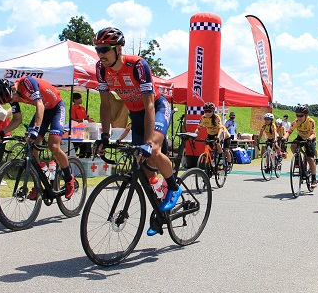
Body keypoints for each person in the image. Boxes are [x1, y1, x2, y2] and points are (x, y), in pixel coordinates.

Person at [92, 27, 180, 236]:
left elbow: (149, 104)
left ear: (118, 48)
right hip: (136, 116)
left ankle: (174, 187)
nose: (101, 54)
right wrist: (105, 135)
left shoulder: (138, 65)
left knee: (154, 150)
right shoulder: (101, 69)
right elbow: (106, 105)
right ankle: (160, 213)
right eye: (97, 50)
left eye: (105, 49)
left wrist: (149, 141)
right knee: (146, 169)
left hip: (156, 109)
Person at [0, 76, 77, 199]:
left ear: (12, 88)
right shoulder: (12, 96)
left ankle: (69, 179)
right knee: (31, 147)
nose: (13, 100)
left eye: (12, 97)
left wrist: (35, 129)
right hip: (44, 112)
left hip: (56, 108)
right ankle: (38, 185)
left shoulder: (27, 82)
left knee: (53, 146)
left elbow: (39, 105)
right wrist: (2, 132)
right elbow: (17, 119)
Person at [288, 104, 318, 188]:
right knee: (293, 146)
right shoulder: (296, 122)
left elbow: (313, 133)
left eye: (301, 115)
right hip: (301, 137)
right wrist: (283, 138)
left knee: (310, 158)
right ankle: (298, 161)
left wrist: (309, 139)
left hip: (310, 138)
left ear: (306, 115)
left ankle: (314, 178)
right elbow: (289, 131)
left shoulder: (310, 121)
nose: (299, 117)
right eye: (297, 115)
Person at [194, 102, 233, 167]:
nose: (207, 113)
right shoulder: (203, 118)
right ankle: (211, 163)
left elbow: (220, 128)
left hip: (222, 133)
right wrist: (194, 136)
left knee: (225, 149)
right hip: (211, 134)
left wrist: (218, 137)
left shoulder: (216, 118)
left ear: (213, 111)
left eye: (209, 111)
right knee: (208, 146)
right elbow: (198, 128)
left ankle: (223, 159)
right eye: (206, 111)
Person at [70, 92, 93, 158]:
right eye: (79, 98)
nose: (81, 99)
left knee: (86, 143)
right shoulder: (72, 109)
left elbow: (85, 118)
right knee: (77, 145)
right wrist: (84, 119)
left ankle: (87, 154)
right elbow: (73, 119)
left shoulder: (82, 108)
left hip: (85, 128)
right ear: (75, 100)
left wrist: (87, 119)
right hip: (77, 129)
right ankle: (73, 158)